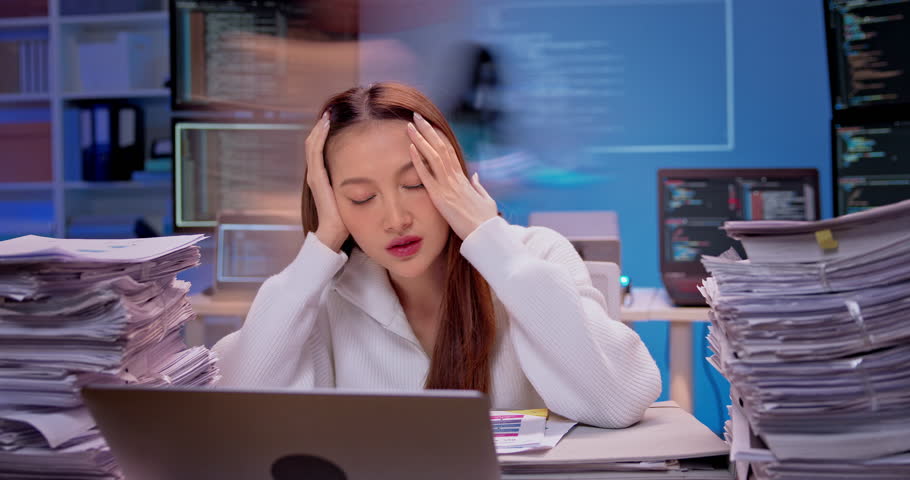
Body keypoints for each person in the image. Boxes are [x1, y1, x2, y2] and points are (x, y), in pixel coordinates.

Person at [213, 82, 661, 428]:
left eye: (415, 184)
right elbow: (237, 421)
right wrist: (320, 246)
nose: (395, 219)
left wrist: (491, 243)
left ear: (451, 176)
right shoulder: (326, 296)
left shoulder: (534, 254)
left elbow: (618, 400)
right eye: (361, 198)